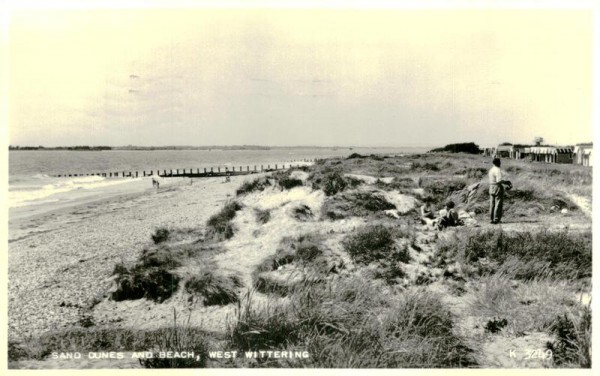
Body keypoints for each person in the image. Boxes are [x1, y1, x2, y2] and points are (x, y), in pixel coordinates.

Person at [488, 157, 510, 224]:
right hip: (497, 187)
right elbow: (499, 181)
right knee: (498, 203)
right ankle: (496, 219)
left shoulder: (491, 170)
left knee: (492, 204)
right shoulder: (497, 170)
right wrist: (506, 182)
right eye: (499, 162)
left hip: (491, 186)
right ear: (497, 163)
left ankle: (491, 219)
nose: (500, 163)